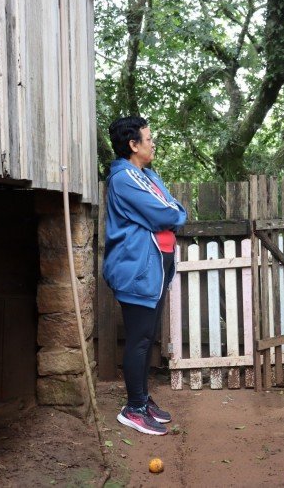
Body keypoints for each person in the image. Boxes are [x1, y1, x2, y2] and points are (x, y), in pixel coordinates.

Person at [103, 116, 187, 435]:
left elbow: (172, 207)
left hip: (155, 269)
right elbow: (164, 213)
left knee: (147, 336)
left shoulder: (147, 175)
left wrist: (171, 213)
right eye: (148, 139)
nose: (153, 144)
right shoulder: (124, 178)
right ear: (133, 145)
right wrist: (171, 214)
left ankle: (142, 398)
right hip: (137, 269)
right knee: (138, 340)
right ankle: (133, 408)